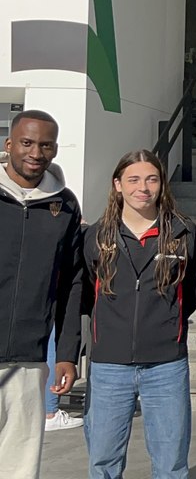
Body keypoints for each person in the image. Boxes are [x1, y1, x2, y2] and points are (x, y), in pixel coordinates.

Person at [81, 149, 196, 479]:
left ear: (162, 184)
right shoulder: (96, 235)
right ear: (117, 184)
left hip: (166, 364)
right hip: (109, 365)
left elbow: (188, 293)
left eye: (151, 179)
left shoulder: (183, 232)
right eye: (133, 179)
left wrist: (166, 325)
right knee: (103, 462)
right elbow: (87, 292)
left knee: (171, 463)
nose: (143, 188)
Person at [0, 109, 84, 478]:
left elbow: (71, 283)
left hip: (28, 360)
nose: (36, 152)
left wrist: (66, 354)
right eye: (27, 142)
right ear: (9, 145)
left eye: (45, 144)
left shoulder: (64, 206)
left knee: (18, 465)